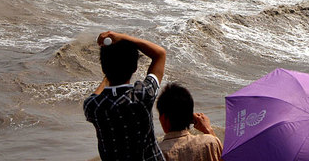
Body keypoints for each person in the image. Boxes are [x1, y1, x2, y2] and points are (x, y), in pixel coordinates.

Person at [84, 31, 167, 161]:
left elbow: (96, 95)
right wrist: (124, 37)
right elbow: (160, 54)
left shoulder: (93, 106)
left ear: (104, 69)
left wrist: (109, 73)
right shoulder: (142, 95)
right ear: (134, 68)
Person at [156, 83, 223, 161]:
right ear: (190, 116)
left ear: (163, 118)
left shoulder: (157, 153)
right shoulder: (210, 143)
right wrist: (208, 129)